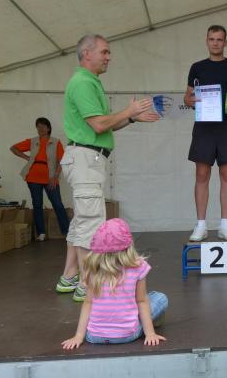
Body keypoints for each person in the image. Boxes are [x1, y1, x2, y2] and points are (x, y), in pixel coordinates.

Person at [57, 34, 159, 302]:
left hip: (87, 159)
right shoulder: (83, 83)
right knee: (90, 223)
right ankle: (88, 285)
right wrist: (128, 111)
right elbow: (100, 125)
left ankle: (70, 276)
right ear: (87, 53)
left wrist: (131, 118)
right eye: (104, 52)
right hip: (85, 159)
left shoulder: (90, 82)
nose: (108, 57)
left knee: (82, 221)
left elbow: (106, 123)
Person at [61, 218, 168, 348]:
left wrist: (78, 336)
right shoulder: (138, 266)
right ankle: (151, 324)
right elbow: (141, 301)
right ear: (129, 245)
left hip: (94, 336)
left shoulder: (93, 269)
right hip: (127, 335)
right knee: (159, 297)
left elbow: (88, 303)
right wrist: (150, 334)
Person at [184, 25, 227, 242]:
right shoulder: (197, 67)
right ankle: (201, 225)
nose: (215, 43)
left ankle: (224, 224)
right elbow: (187, 97)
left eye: (219, 39)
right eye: (212, 39)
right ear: (207, 41)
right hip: (204, 126)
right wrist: (193, 101)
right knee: (202, 175)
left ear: (225, 43)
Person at [10, 117, 70, 241]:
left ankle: (67, 232)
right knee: (37, 205)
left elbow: (62, 161)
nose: (40, 128)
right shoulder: (32, 141)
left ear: (48, 128)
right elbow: (13, 148)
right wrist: (27, 158)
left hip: (50, 178)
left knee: (57, 204)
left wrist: (55, 177)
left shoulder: (56, 142)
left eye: (43, 126)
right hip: (33, 177)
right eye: (38, 126)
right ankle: (41, 233)